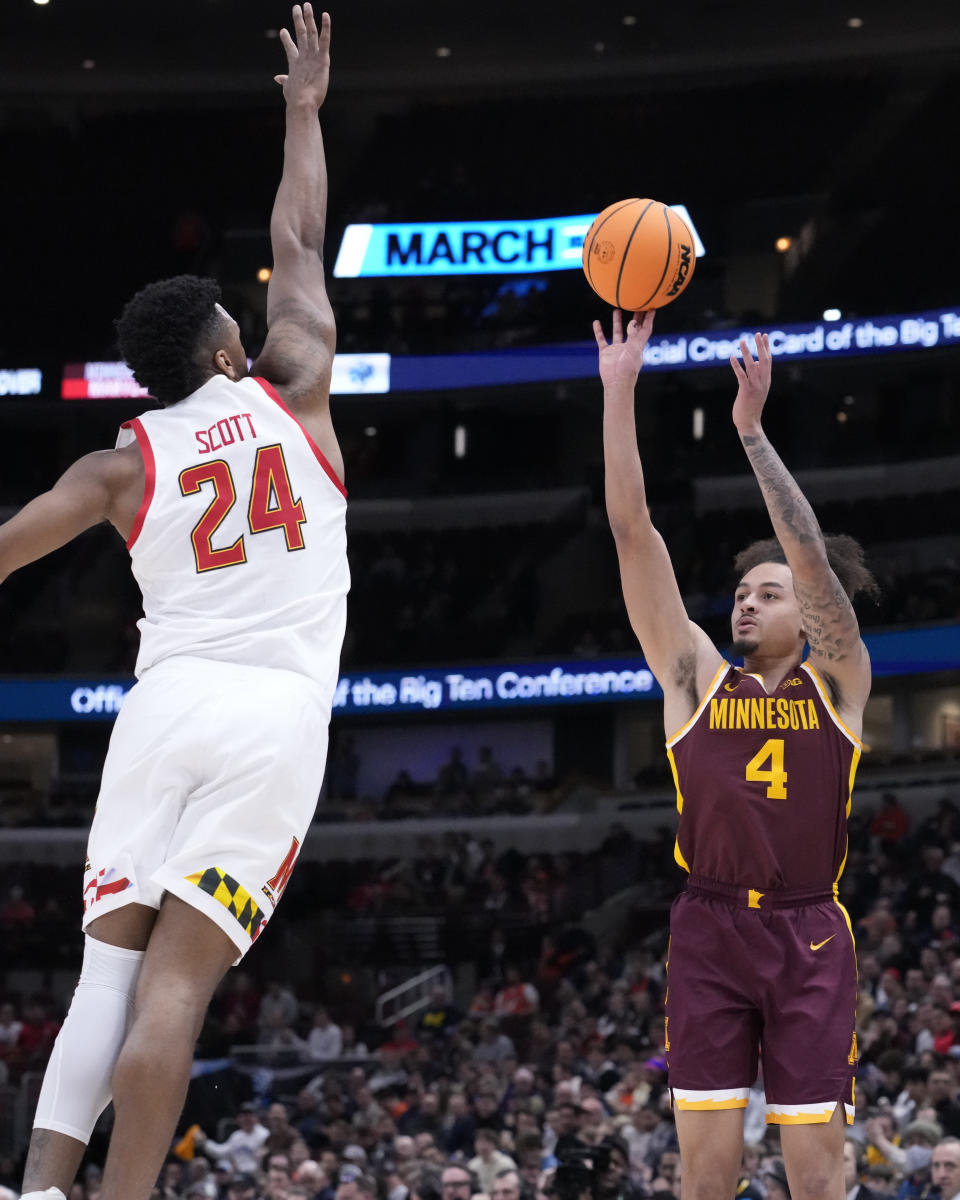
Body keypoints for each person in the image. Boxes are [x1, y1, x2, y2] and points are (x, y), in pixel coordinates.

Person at [10, 9, 345, 1200]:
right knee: (177, 991)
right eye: (228, 326)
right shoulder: (296, 387)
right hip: (270, 721)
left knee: (106, 978)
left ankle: (39, 1189)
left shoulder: (117, 465)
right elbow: (297, 233)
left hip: (162, 712)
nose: (244, 330)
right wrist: (302, 111)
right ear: (221, 357)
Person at [596, 311, 877, 1198]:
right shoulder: (692, 681)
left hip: (809, 929)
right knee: (707, 1174)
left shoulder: (838, 683)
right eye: (740, 594)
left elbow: (810, 559)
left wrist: (751, 433)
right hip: (711, 926)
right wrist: (619, 392)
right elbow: (633, 530)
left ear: (806, 612)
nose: (745, 605)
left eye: (767, 594)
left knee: (814, 1172)